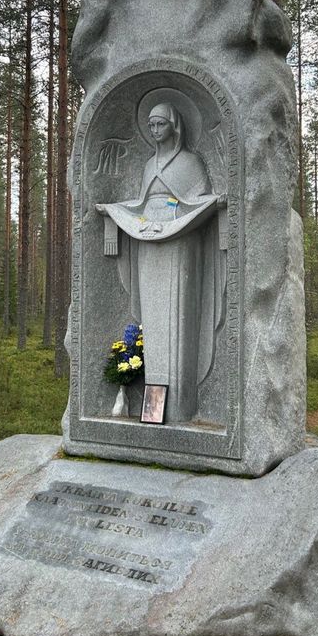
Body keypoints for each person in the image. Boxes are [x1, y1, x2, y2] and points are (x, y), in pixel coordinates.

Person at [97, 100, 226, 424]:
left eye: (161, 124)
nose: (155, 131)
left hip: (182, 243)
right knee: (152, 321)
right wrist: (113, 210)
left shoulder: (191, 163)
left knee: (178, 317)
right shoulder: (147, 166)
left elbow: (199, 202)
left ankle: (180, 406)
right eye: (151, 125)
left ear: (174, 126)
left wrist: (212, 204)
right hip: (147, 245)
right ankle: (154, 409)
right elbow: (140, 204)